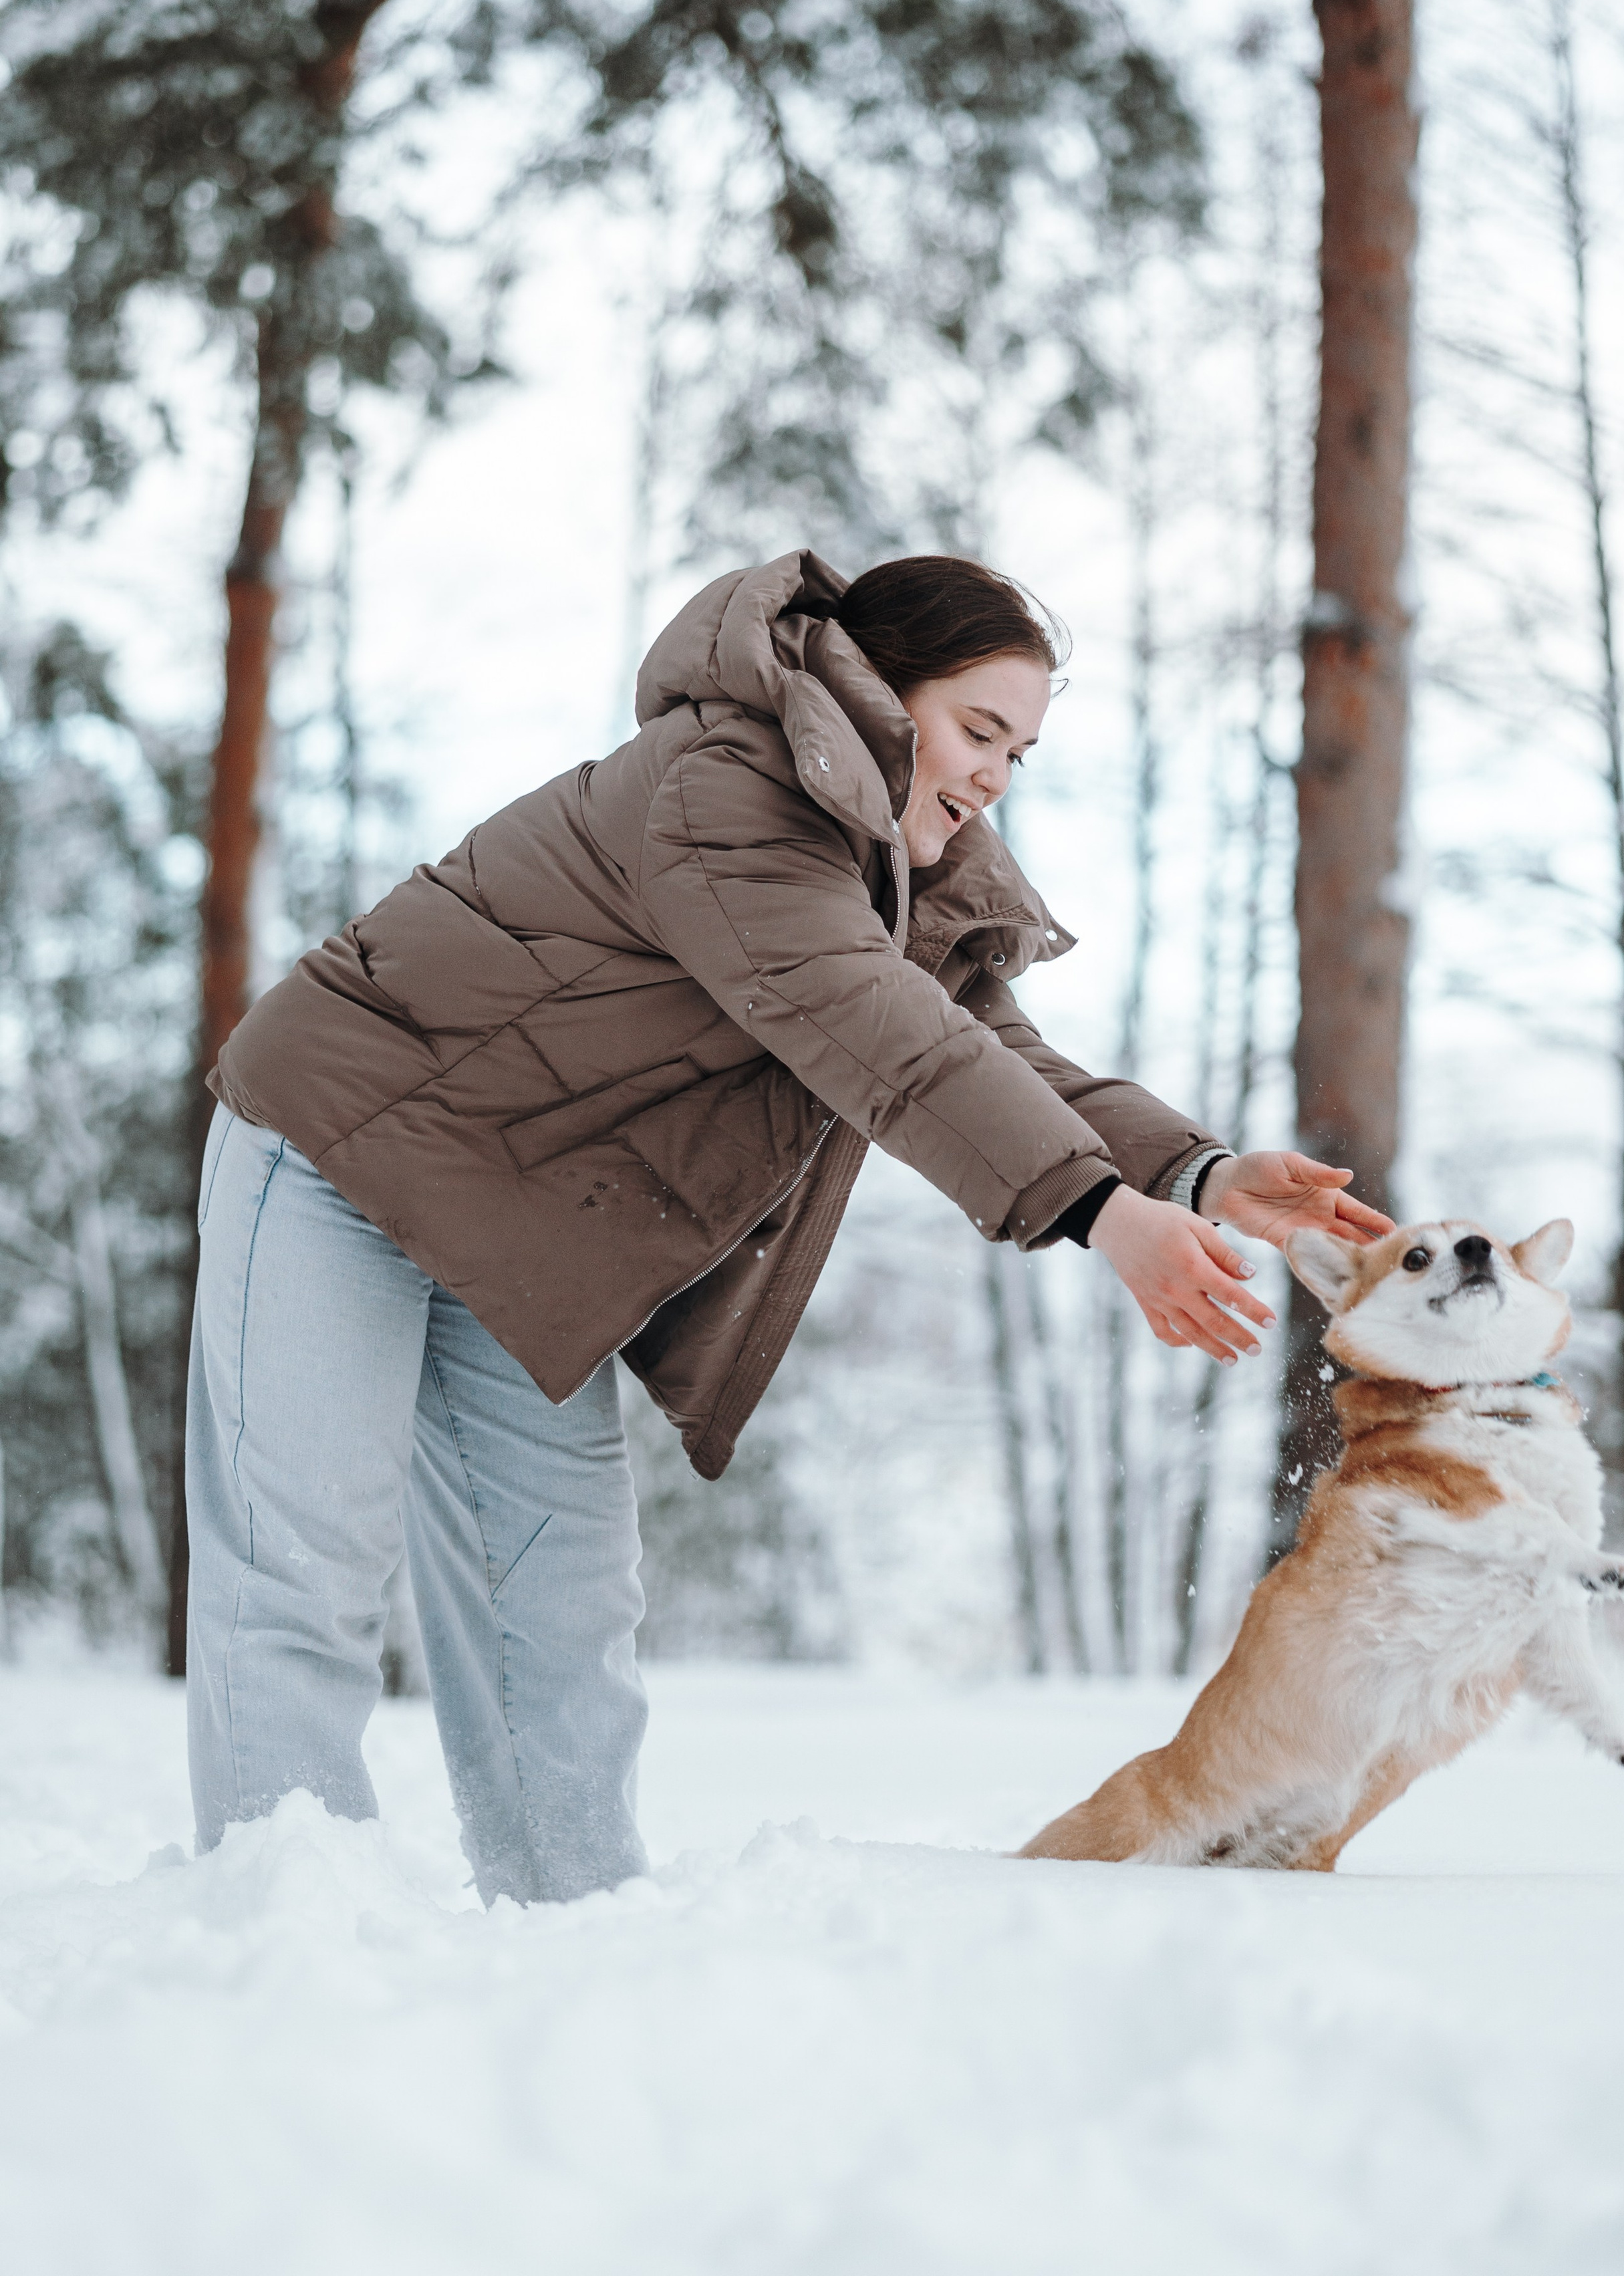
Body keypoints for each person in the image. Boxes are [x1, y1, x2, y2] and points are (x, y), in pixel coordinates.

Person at [187, 547, 1391, 1902]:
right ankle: (270, 1924)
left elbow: (984, 1046)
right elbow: (880, 1035)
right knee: (306, 1568)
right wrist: (1096, 1215)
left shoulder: (895, 866)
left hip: (514, 1227)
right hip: (339, 1146)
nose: (995, 773)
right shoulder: (728, 792)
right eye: (977, 730)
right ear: (878, 697)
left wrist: (1189, 1172)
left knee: (562, 1599)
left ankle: (571, 1921)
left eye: (1021, 750)